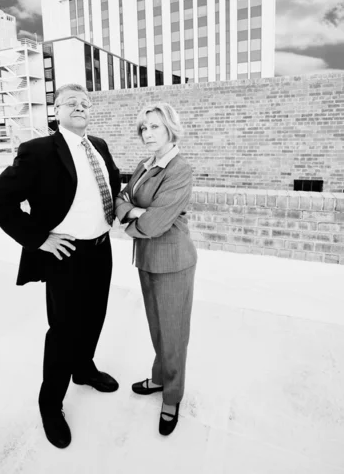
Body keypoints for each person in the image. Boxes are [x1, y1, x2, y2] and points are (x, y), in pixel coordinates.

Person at [0, 83, 121, 449]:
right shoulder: (39, 151)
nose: (80, 106)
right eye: (70, 102)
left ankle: (84, 369)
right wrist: (40, 238)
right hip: (66, 255)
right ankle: (50, 403)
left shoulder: (99, 146)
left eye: (85, 102)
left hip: (101, 249)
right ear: (56, 111)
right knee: (62, 331)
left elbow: (113, 181)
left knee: (94, 317)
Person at [115, 102, 197, 436]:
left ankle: (172, 396)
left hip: (173, 261)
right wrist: (133, 210)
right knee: (157, 328)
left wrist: (131, 217)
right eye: (144, 128)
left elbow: (156, 222)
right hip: (147, 259)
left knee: (174, 332)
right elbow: (121, 197)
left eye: (155, 127)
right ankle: (160, 377)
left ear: (170, 129)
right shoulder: (143, 164)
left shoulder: (179, 169)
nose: (147, 133)